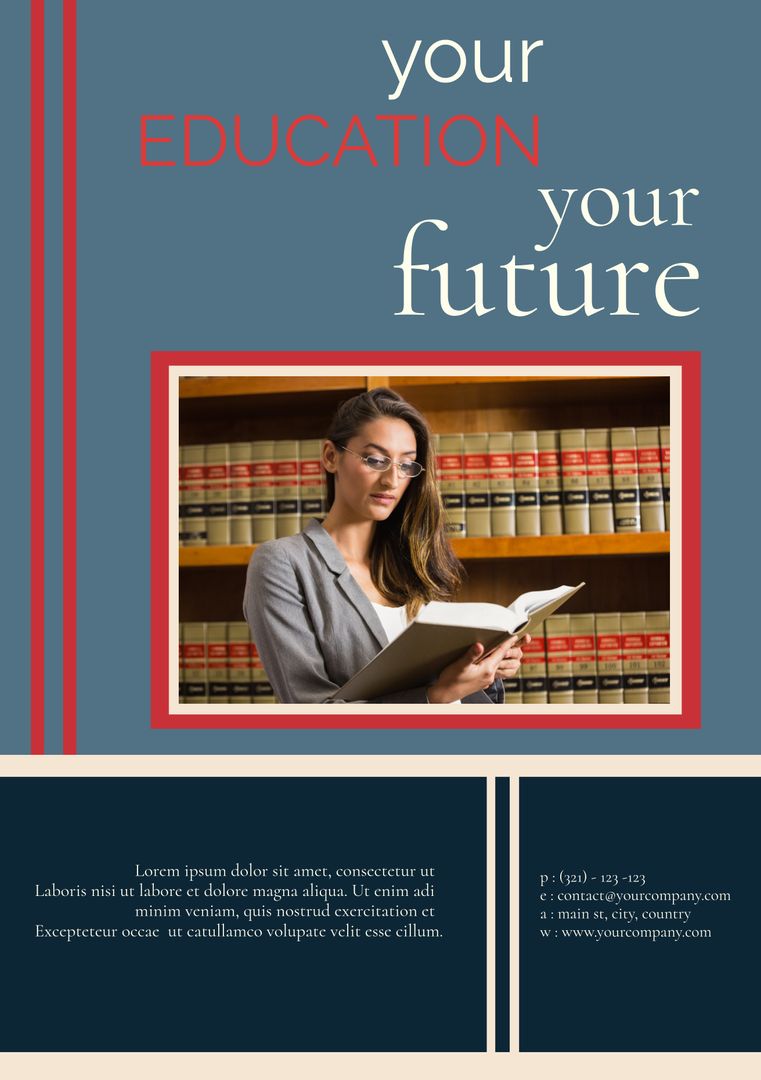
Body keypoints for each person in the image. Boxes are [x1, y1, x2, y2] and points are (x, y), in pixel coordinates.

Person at [243, 387, 525, 704]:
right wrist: (436, 695)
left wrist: (482, 670)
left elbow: (444, 687)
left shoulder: (410, 564)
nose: (392, 480)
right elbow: (310, 709)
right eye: (376, 460)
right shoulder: (282, 563)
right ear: (330, 456)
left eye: (406, 465)